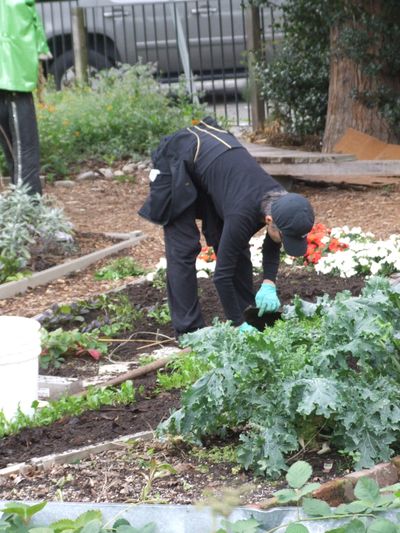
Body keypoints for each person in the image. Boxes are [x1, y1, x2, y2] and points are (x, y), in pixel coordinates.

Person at [139, 117, 315, 336]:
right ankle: (190, 330)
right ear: (270, 221)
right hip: (180, 158)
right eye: (285, 236)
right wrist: (237, 324)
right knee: (184, 247)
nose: (285, 241)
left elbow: (273, 243)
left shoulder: (281, 202)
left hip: (215, 170)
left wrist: (269, 282)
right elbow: (221, 276)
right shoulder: (243, 214)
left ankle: (248, 312)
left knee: (234, 245)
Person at [0, 0, 51, 196]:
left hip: (12, 78)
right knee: (25, 151)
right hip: (16, 79)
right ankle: (28, 206)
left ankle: (23, 205)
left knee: (14, 152)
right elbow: (31, 19)